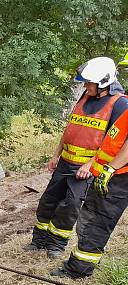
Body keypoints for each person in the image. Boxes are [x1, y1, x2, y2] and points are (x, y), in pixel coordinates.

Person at [26, 57, 128, 258]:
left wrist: (91, 165)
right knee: (48, 201)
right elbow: (71, 129)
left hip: (86, 168)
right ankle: (39, 240)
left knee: (70, 206)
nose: (85, 86)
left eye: (89, 82)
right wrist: (56, 154)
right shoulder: (85, 97)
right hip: (65, 162)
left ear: (103, 83)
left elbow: (112, 143)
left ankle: (55, 245)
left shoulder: (120, 105)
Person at [51, 54, 128, 279]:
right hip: (108, 172)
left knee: (97, 221)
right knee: (91, 218)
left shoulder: (121, 102)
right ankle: (78, 264)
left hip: (119, 175)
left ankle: (79, 269)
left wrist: (111, 168)